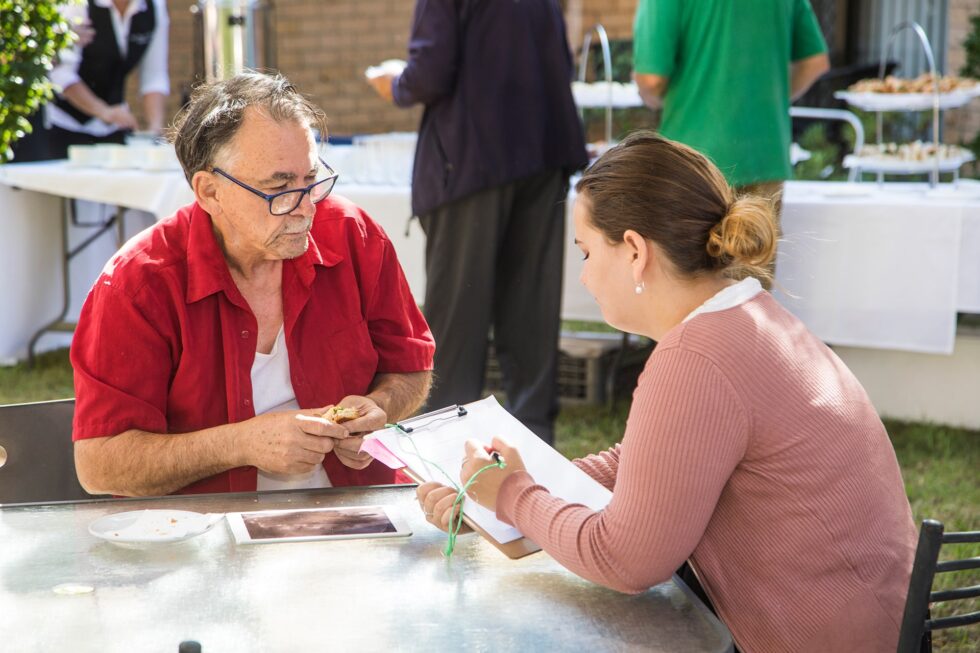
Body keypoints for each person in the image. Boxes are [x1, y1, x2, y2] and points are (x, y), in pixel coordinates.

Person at [418, 133, 917, 652]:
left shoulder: (697, 357)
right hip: (877, 625)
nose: (585, 276)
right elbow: (647, 462)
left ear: (635, 251)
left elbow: (626, 560)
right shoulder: (750, 316)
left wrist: (515, 496)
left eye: (587, 252)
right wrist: (497, 493)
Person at [71, 72, 435, 497]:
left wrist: (381, 406)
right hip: (206, 536)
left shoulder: (353, 233)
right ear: (209, 192)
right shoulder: (139, 284)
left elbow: (410, 366)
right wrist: (240, 444)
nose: (305, 209)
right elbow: (100, 465)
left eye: (311, 180)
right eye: (279, 188)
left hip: (358, 507)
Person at [367, 0, 588, 444]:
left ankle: (448, 445)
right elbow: (561, 56)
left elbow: (429, 71)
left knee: (458, 315)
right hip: (543, 151)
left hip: (472, 159)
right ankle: (535, 443)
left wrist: (395, 84)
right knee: (531, 308)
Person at [632, 0, 830, 279]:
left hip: (691, 163)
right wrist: (768, 99)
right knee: (751, 299)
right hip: (765, 153)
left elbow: (651, 79)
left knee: (685, 293)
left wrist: (651, 97)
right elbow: (814, 62)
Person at [13, 0, 170, 162]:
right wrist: (103, 111)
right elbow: (61, 74)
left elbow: (154, 76)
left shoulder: (154, 7)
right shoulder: (77, 5)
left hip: (114, 129)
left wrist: (154, 129)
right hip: (66, 125)